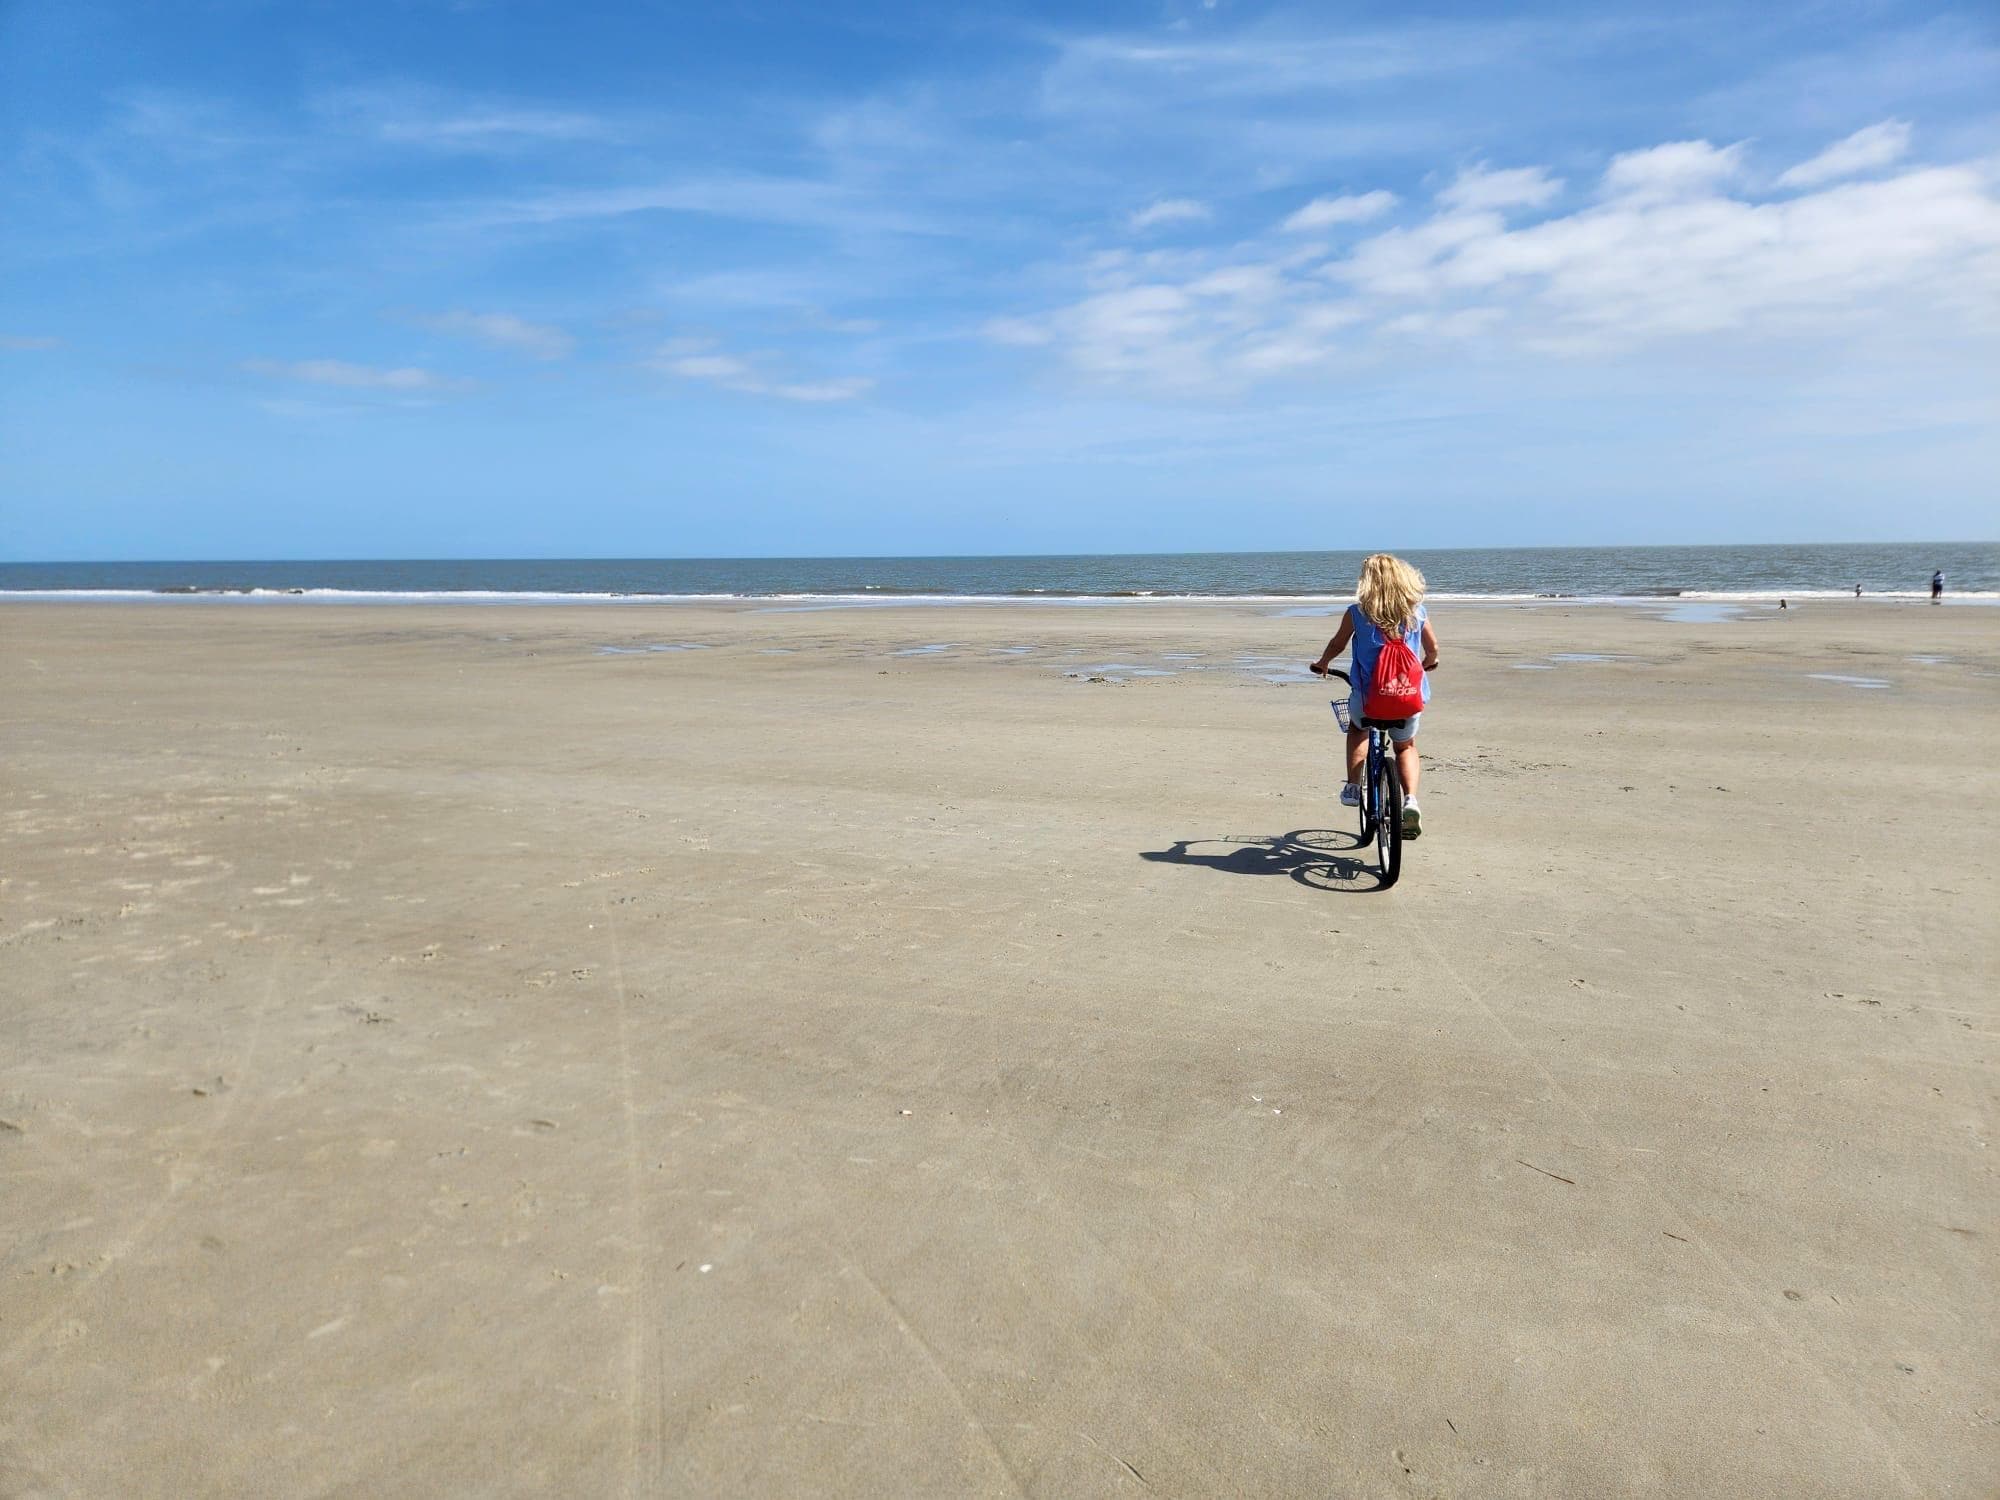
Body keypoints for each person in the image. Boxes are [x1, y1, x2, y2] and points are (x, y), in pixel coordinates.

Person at [1309, 554, 1440, 839]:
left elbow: (1337, 644)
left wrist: (1323, 663)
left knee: (1358, 729)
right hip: (1407, 699)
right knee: (1405, 746)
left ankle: (1354, 786)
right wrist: (1430, 661)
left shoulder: (1357, 613)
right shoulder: (1417, 612)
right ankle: (1410, 801)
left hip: (1369, 699)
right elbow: (1433, 649)